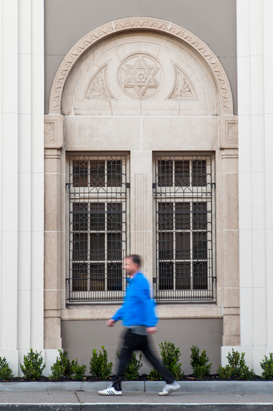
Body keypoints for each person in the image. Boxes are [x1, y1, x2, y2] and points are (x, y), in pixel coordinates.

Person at [98, 254, 180, 396]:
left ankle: (116, 387)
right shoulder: (132, 282)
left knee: (124, 357)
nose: (124, 267)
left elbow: (148, 303)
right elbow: (128, 306)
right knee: (150, 357)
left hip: (136, 328)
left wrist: (151, 323)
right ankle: (171, 382)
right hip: (136, 328)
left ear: (136, 266)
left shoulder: (141, 282)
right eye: (124, 264)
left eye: (127, 264)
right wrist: (114, 318)